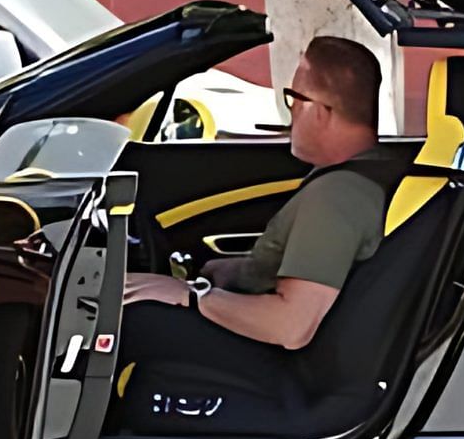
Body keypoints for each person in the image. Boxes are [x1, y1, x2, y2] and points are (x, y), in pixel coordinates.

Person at [120, 35, 400, 352]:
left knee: (135, 328)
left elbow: (291, 327)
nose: (291, 112)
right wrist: (227, 273)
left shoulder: (336, 197)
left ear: (319, 111)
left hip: (283, 369)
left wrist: (189, 296)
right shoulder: (374, 169)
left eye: (293, 98)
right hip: (284, 341)